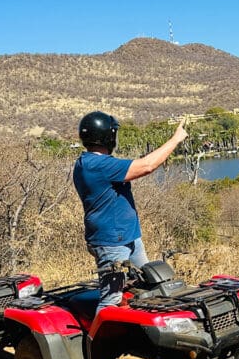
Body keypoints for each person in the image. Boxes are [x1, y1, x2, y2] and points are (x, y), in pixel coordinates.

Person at [72, 111, 188, 314]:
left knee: (147, 285)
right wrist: (176, 139)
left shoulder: (87, 162)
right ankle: (98, 345)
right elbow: (147, 165)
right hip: (112, 243)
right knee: (111, 299)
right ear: (108, 136)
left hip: (129, 238)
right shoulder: (98, 165)